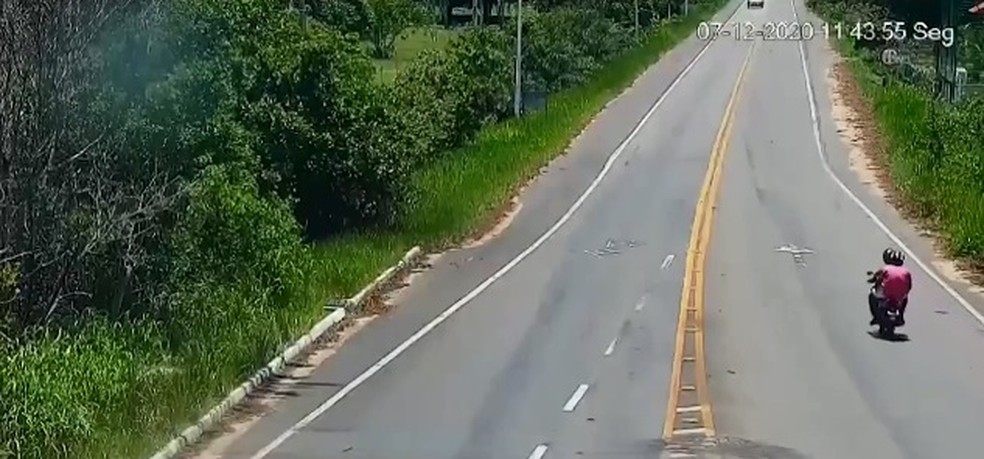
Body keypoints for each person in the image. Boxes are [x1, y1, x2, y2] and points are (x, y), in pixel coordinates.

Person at [868, 248, 913, 326]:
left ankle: (875, 316)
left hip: (886, 293)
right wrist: (904, 293)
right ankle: (901, 315)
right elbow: (909, 286)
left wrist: (872, 280)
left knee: (872, 295)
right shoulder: (906, 272)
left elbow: (876, 278)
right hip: (900, 295)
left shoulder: (885, 269)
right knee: (905, 299)